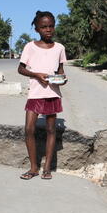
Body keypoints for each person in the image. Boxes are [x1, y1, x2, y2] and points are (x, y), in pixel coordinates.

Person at [18, 10, 67, 180]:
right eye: (44, 27)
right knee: (29, 129)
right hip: (35, 94)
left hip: (52, 93)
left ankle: (47, 168)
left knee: (51, 130)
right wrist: (36, 75)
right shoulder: (29, 47)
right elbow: (21, 68)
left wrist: (61, 80)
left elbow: (61, 72)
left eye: (51, 26)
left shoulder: (60, 48)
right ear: (37, 29)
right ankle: (33, 168)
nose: (48, 30)